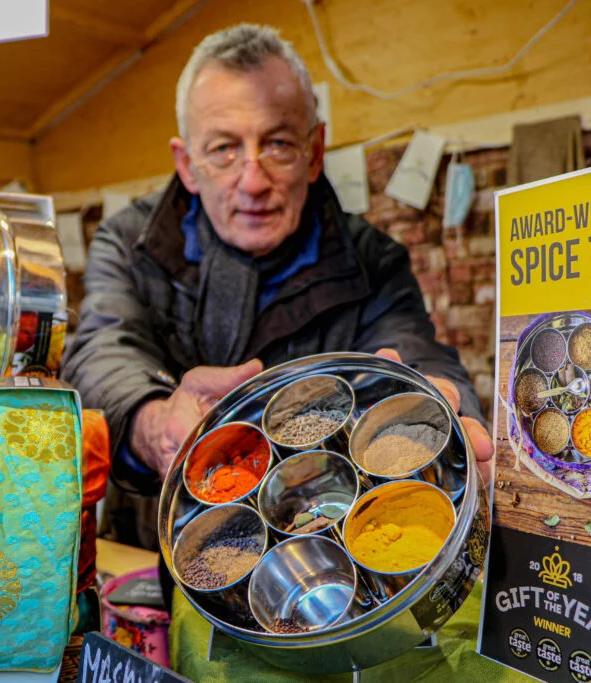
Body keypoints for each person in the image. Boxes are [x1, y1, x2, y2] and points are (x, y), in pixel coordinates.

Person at [60, 24, 493, 549]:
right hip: (179, 544)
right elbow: (104, 352)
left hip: (334, 547)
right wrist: (155, 425)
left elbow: (420, 353)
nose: (253, 180)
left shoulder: (374, 259)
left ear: (314, 153)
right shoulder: (129, 242)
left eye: (278, 145)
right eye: (223, 149)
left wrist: (443, 408)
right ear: (186, 164)